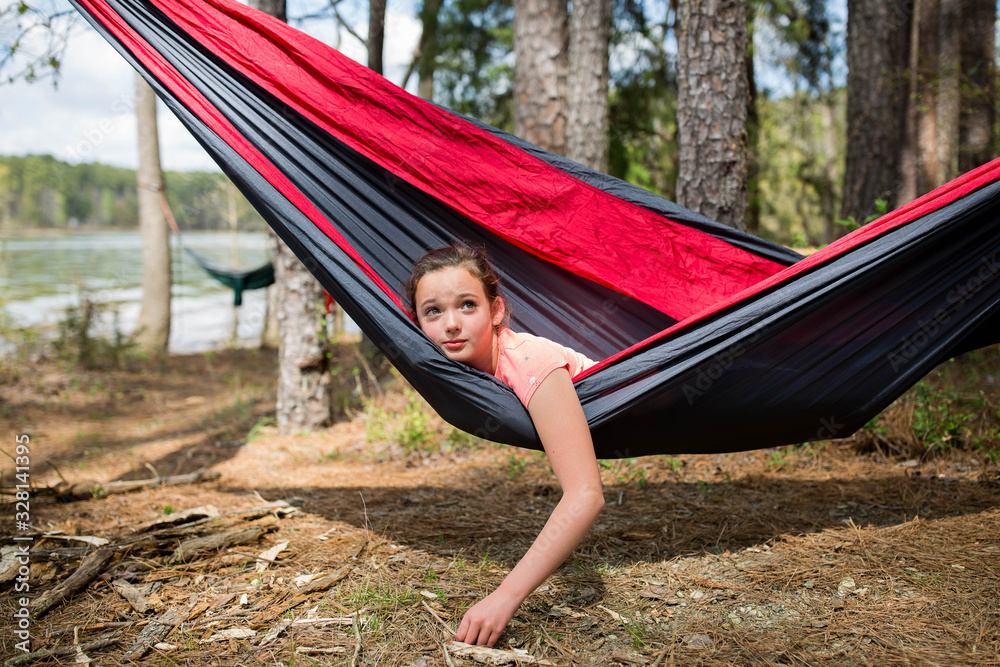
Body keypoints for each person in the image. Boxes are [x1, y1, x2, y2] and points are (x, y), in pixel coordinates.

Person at [405, 244, 606, 647]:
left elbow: (586, 495)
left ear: (496, 311)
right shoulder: (474, 365)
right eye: (433, 311)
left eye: (467, 305)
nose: (451, 325)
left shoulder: (531, 362)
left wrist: (504, 598)